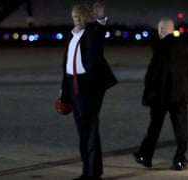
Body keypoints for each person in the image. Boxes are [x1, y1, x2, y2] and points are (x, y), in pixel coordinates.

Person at [59, 2, 118, 180]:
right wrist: (63, 90)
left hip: (89, 86)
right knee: (82, 129)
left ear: (85, 17)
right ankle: (87, 171)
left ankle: (93, 173)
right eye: (73, 17)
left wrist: (100, 18)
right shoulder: (71, 35)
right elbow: (67, 63)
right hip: (72, 84)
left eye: (78, 17)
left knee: (90, 128)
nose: (76, 20)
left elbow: (99, 32)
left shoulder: (91, 33)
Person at [133, 17, 188, 170]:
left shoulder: (159, 46)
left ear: (161, 30)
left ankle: (145, 156)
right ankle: (180, 160)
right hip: (181, 95)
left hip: (161, 95)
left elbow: (154, 73)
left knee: (154, 127)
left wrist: (148, 94)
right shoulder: (185, 45)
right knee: (181, 129)